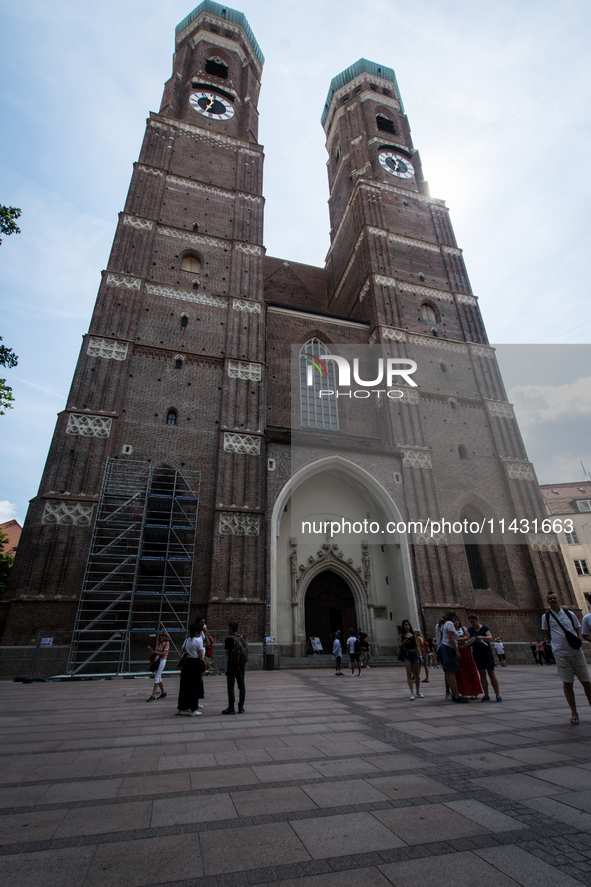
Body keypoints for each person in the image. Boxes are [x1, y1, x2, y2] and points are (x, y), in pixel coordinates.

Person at [542, 592, 591, 725]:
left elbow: (577, 630)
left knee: (586, 682)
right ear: (547, 602)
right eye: (549, 599)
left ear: (559, 599)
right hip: (560, 653)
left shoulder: (570, 614)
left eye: (554, 598)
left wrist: (573, 642)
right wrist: (556, 645)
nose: (552, 600)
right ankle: (574, 713)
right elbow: (548, 633)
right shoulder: (546, 617)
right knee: (567, 683)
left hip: (576, 652)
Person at [468, 615, 502, 701]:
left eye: (473, 621)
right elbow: (468, 641)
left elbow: (490, 638)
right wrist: (472, 640)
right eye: (471, 622)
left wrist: (482, 637)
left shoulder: (484, 628)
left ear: (477, 620)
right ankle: (486, 694)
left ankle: (497, 695)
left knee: (491, 673)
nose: (472, 623)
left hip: (487, 653)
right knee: (482, 673)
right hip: (477, 653)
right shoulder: (470, 630)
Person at [176, 621, 205, 716]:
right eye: (200, 632)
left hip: (186, 663)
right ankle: (193, 709)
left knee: (184, 686)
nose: (201, 633)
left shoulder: (187, 640)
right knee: (194, 686)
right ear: (196, 632)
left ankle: (181, 707)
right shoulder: (198, 641)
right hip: (195, 663)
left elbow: (181, 652)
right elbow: (200, 655)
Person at [439, 611, 468, 703]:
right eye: (455, 618)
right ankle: (456, 695)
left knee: (448, 672)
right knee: (452, 672)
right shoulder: (450, 624)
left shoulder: (444, 624)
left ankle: (453, 694)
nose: (456, 620)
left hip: (444, 647)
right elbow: (451, 638)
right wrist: (457, 650)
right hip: (449, 648)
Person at [454, 616, 483, 699]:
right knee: (460, 673)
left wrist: (459, 640)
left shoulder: (463, 628)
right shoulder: (452, 630)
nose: (456, 623)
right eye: (454, 621)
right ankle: (463, 692)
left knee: (471, 671)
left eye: (457, 621)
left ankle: (474, 692)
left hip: (466, 651)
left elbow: (468, 637)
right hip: (458, 651)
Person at [222, 621, 247, 714]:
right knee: (241, 686)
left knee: (231, 686)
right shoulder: (242, 637)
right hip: (241, 665)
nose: (227, 630)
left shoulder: (228, 639)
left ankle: (231, 707)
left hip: (232, 664)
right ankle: (241, 707)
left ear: (231, 629)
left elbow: (227, 653)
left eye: (228, 628)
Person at [398, 620, 423, 700]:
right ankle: (412, 692)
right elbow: (399, 645)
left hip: (414, 654)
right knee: (409, 674)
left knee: (416, 674)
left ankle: (418, 691)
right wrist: (404, 642)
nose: (407, 626)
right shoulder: (402, 635)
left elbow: (417, 646)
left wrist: (421, 656)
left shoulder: (413, 635)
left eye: (408, 625)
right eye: (405, 625)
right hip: (407, 655)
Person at [146, 630, 170, 701]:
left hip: (163, 660)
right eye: (159, 636)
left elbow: (164, 653)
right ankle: (163, 692)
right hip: (157, 659)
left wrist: (157, 652)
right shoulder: (158, 643)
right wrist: (151, 650)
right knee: (158, 676)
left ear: (165, 637)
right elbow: (155, 652)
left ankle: (153, 695)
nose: (160, 637)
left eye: (162, 636)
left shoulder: (167, 643)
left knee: (157, 676)